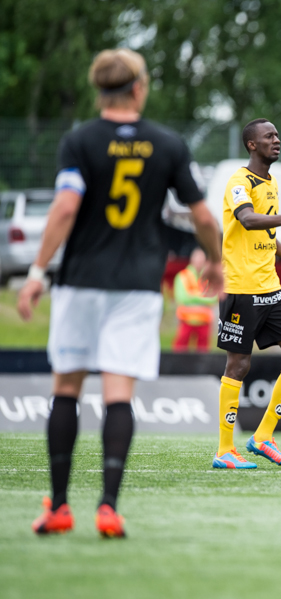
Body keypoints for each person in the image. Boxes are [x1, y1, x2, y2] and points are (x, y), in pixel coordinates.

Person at [18, 49, 224, 537]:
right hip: (137, 286)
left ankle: (60, 507)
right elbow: (201, 216)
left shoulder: (79, 140)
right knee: (118, 395)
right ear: (138, 88)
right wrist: (214, 261)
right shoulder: (167, 143)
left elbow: (65, 208)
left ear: (98, 90)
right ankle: (108, 507)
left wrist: (36, 271)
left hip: (81, 282)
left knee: (66, 389)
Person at [213, 118, 281, 470]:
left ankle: (262, 436)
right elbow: (247, 220)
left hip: (270, 288)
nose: (276, 140)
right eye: (269, 136)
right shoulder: (238, 182)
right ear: (251, 145)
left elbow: (266, 233)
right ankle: (224, 450)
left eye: (277, 135)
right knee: (239, 364)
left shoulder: (271, 181)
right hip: (241, 289)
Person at [172, 247, 217, 352]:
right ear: (192, 260)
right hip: (186, 320)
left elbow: (214, 298)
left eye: (201, 260)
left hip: (204, 321)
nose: (199, 262)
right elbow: (181, 298)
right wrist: (202, 297)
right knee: (180, 350)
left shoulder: (208, 277)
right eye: (197, 259)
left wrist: (192, 296)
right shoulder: (182, 276)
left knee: (203, 353)